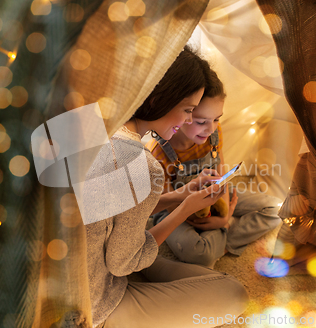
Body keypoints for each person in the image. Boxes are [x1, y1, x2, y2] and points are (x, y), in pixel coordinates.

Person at [84, 46, 248, 328]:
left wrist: (181, 195)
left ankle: (147, 252)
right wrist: (184, 209)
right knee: (234, 293)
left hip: (78, 270)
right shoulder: (139, 162)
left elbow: (114, 206)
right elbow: (122, 264)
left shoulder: (93, 125)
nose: (187, 120)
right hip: (92, 305)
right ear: (160, 97)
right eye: (188, 110)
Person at [146, 68, 283, 268]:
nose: (210, 128)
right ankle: (217, 241)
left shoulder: (212, 133)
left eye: (217, 118)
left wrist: (225, 216)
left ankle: (222, 242)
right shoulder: (159, 152)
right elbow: (168, 204)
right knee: (198, 252)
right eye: (201, 122)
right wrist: (209, 216)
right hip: (178, 210)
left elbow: (221, 172)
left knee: (276, 208)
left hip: (214, 195)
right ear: (181, 114)